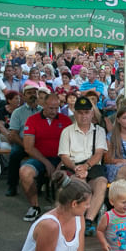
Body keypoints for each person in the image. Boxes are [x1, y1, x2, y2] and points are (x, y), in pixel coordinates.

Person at [57, 96, 108, 236]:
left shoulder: (99, 130)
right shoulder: (67, 131)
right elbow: (64, 156)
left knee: (102, 183)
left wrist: (86, 166)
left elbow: (99, 153)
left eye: (86, 112)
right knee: (79, 183)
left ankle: (89, 220)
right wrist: (76, 168)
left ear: (92, 113)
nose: (84, 116)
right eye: (80, 112)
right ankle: (78, 221)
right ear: (74, 112)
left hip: (91, 164)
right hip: (73, 165)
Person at [20, 94, 73, 222]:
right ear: (43, 105)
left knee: (71, 176)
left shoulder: (65, 120)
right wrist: (46, 163)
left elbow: (72, 144)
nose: (54, 111)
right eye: (50, 108)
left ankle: (65, 209)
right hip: (40, 157)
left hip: (62, 157)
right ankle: (34, 206)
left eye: (56, 108)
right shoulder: (32, 120)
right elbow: (28, 147)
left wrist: (61, 162)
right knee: (25, 172)